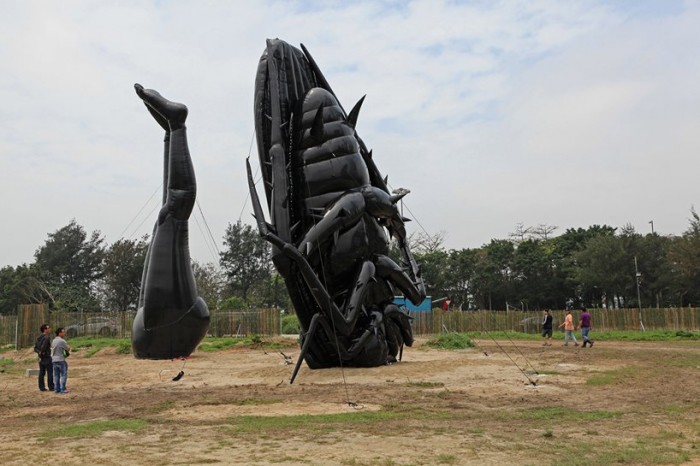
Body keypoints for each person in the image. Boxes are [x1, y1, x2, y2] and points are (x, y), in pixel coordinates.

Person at [51, 327, 71, 394]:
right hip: (61, 359)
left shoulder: (53, 340)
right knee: (63, 375)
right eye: (63, 332)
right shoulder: (62, 341)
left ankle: (57, 389)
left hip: (54, 359)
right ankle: (63, 389)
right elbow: (67, 348)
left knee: (56, 375)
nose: (64, 333)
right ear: (59, 333)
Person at [35, 323, 54, 392]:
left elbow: (35, 348)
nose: (49, 329)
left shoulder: (38, 338)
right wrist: (41, 352)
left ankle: (41, 387)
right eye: (48, 328)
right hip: (46, 357)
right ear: (45, 329)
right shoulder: (47, 337)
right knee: (50, 372)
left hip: (40, 358)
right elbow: (44, 346)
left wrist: (39, 354)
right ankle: (51, 387)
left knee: (41, 372)